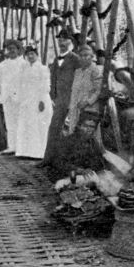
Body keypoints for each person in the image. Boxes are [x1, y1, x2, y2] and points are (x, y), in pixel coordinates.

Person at [40, 29, 80, 166]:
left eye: (65, 40)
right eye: (60, 40)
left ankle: (69, 163)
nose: (62, 43)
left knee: (73, 129)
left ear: (72, 43)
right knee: (54, 127)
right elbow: (53, 78)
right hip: (60, 99)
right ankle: (48, 159)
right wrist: (53, 97)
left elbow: (80, 79)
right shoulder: (57, 60)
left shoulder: (76, 59)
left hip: (73, 99)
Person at [15, 45, 53, 159]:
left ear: (37, 55)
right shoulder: (24, 68)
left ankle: (38, 152)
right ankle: (25, 151)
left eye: (33, 54)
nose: (30, 56)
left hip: (38, 98)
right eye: (28, 54)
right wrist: (19, 98)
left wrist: (42, 100)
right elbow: (20, 84)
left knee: (39, 124)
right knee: (26, 124)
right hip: (26, 99)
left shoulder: (42, 68)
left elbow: (46, 85)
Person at [0, 39, 25, 154]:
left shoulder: (24, 64)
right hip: (7, 97)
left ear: (19, 50)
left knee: (20, 122)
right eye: (9, 49)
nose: (11, 51)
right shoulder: (2, 65)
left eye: (14, 49)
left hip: (19, 97)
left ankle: (21, 147)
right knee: (9, 122)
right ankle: (11, 146)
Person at [66, 44, 102, 134]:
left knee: (86, 135)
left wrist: (87, 102)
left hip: (89, 109)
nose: (83, 58)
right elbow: (74, 90)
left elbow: (98, 90)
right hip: (76, 107)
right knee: (73, 133)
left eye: (86, 55)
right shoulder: (77, 72)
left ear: (92, 57)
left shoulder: (95, 70)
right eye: (81, 56)